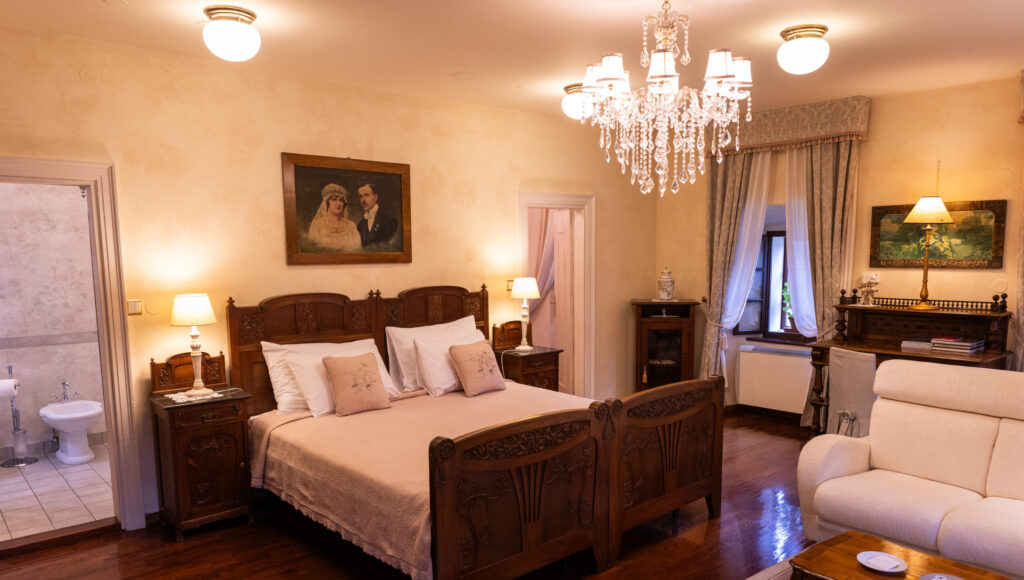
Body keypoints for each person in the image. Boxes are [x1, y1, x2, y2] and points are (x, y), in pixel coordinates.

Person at [307, 183, 361, 251]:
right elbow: (314, 249)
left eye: (341, 200)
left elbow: (357, 248)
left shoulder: (351, 226)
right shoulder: (317, 225)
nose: (338, 203)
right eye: (334, 199)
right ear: (327, 202)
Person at [356, 183, 399, 249]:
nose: (363, 200)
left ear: (375, 197)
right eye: (361, 196)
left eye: (366, 195)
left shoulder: (389, 220)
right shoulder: (361, 224)